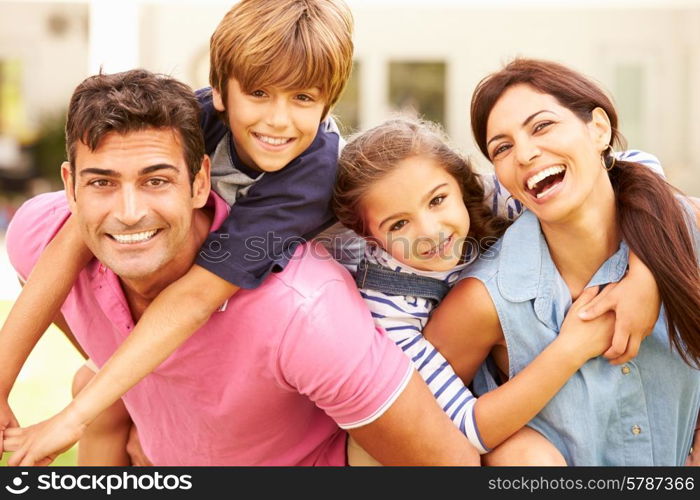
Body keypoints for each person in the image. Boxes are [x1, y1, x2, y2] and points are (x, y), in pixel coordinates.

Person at [1, 68, 480, 466]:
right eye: (102, 183)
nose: (128, 211)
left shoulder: (307, 312)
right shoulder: (35, 238)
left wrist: (74, 418)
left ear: (199, 181)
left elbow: (451, 466)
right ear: (70, 186)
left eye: (156, 181)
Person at [0, 0, 359, 465]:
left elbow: (195, 297)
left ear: (327, 102)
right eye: (259, 93)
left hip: (318, 323)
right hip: (217, 304)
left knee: (103, 403)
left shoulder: (310, 177)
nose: (278, 120)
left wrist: (71, 420)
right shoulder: (197, 116)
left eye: (303, 99)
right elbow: (71, 241)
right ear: (221, 91)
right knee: (95, 388)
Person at [332, 117, 665, 465]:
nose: (430, 230)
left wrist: (645, 276)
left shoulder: (488, 197)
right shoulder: (387, 307)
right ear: (370, 238)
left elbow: (638, 165)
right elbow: (463, 427)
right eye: (399, 224)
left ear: (460, 185)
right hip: (437, 422)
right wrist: (572, 348)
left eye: (438, 200)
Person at [424, 58, 700, 465]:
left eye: (542, 126)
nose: (525, 153)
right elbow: (414, 425)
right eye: (502, 147)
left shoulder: (687, 231)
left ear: (599, 129)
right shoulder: (488, 298)